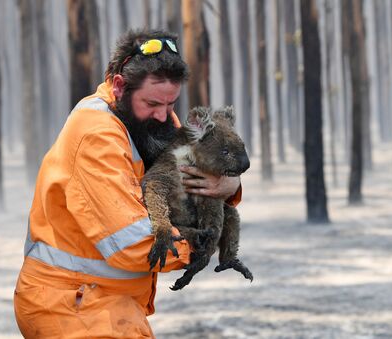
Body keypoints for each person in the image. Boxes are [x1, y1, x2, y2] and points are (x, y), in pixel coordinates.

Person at [13, 29, 242, 338]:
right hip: (71, 305)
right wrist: (199, 246)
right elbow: (133, 244)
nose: (164, 116)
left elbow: (199, 175)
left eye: (171, 104)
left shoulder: (152, 121)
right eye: (152, 103)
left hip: (106, 302)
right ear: (120, 86)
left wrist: (230, 188)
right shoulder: (96, 135)